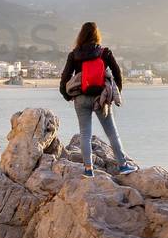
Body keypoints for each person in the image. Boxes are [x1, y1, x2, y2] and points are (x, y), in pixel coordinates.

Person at [58, 21, 138, 176]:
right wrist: (115, 93)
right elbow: (117, 73)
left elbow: (65, 77)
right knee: (112, 133)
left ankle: (88, 170)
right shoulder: (105, 52)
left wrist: (67, 95)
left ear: (81, 36)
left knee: (85, 134)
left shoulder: (74, 55)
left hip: (81, 98)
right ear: (97, 35)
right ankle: (123, 166)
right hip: (101, 98)